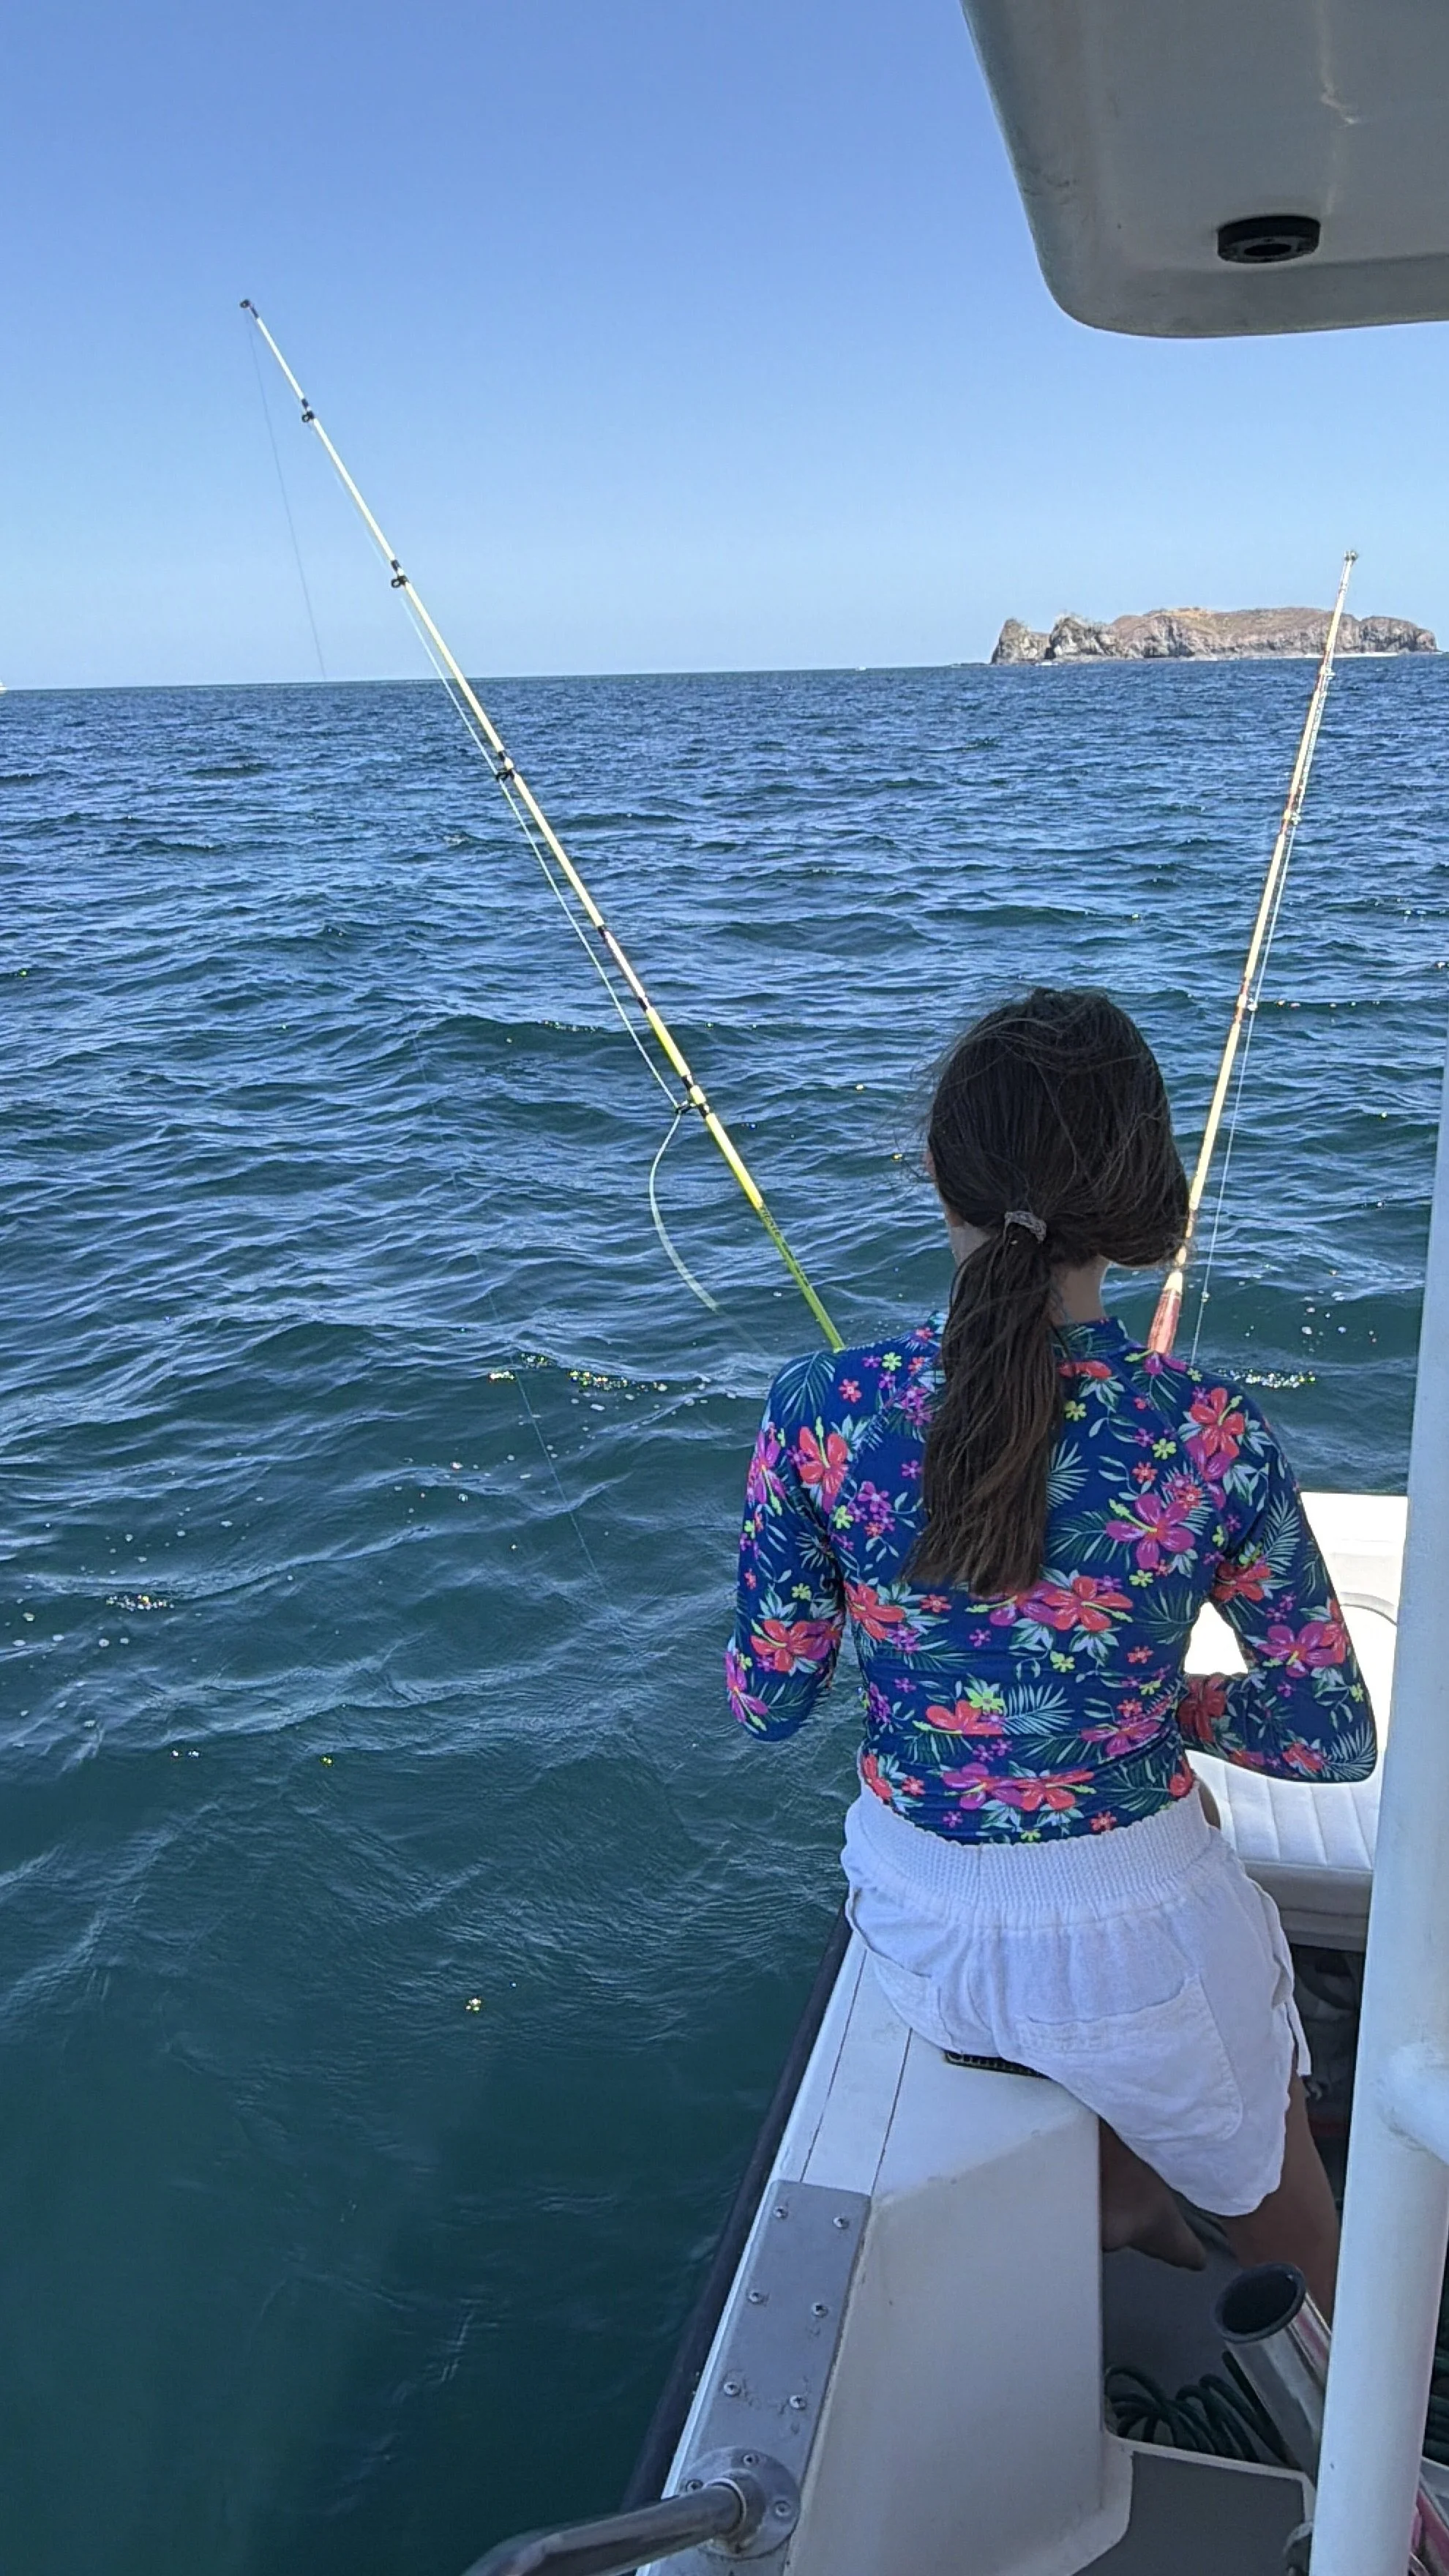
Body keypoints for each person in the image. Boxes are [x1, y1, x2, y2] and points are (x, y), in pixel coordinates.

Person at [727, 988, 1373, 2315]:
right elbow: (1328, 1736)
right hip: (1144, 1937)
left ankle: (1125, 2193)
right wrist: (1159, 1703)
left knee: (1054, 2078)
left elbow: (768, 1700)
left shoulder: (818, 1409)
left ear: (938, 1175)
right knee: (1311, 2258)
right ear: (1139, 1195)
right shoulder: (1208, 1430)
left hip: (920, 1923)